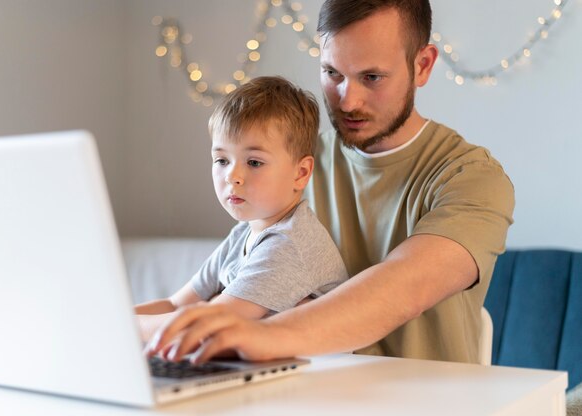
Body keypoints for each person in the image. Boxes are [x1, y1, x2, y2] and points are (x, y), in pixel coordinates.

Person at [145, 0, 514, 364]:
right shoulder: (286, 165)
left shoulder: (472, 179)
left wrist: (260, 335)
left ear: (422, 65)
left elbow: (401, 289)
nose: (347, 100)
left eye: (371, 77)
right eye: (332, 73)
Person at [136, 76, 349, 344]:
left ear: (301, 173)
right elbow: (175, 305)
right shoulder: (241, 236)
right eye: (222, 160)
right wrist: (109, 317)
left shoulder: (290, 243)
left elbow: (206, 325)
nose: (232, 176)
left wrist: (115, 328)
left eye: (254, 162)